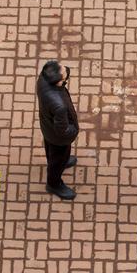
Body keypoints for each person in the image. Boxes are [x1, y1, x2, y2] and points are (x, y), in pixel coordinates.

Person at [36, 60, 79, 200]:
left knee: (51, 149)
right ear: (59, 82)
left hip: (47, 127)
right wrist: (74, 131)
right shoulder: (59, 105)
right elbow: (63, 131)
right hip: (58, 138)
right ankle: (54, 184)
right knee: (57, 159)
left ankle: (60, 160)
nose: (65, 69)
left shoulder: (43, 79)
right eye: (63, 72)